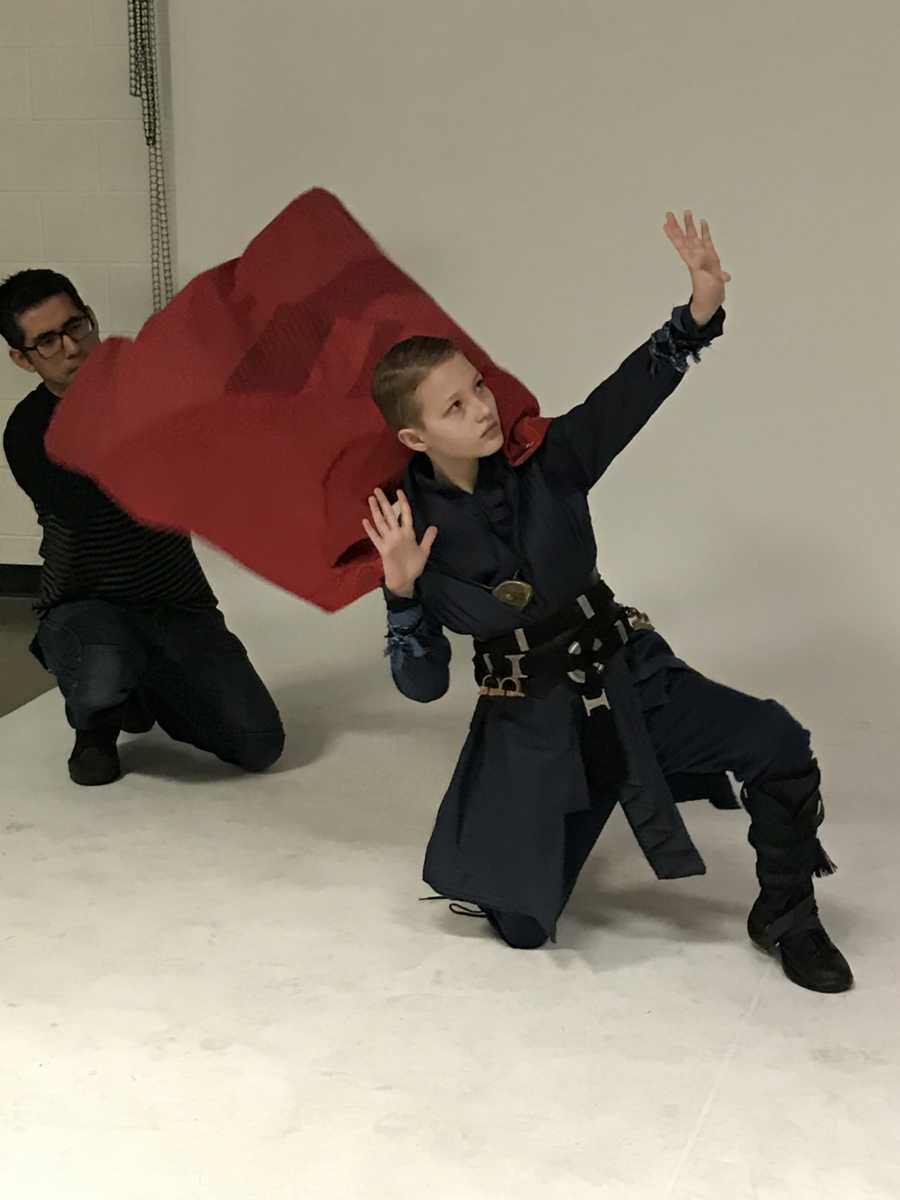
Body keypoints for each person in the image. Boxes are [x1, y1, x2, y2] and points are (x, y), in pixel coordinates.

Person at [363, 212, 852, 993]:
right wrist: (399, 592)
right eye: (453, 408)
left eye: (478, 387)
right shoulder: (409, 535)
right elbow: (421, 684)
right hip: (531, 724)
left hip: (629, 679)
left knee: (778, 742)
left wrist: (696, 311)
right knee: (521, 929)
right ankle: (619, 785)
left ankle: (787, 916)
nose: (482, 410)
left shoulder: (547, 461)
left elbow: (628, 395)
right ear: (416, 438)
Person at [1, 269, 284, 786]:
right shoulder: (28, 432)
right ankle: (97, 722)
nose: (71, 346)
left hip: (177, 603)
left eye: (77, 325)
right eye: (47, 340)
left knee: (259, 743)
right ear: (22, 359)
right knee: (104, 658)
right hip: (85, 606)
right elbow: (99, 498)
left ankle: (146, 687)